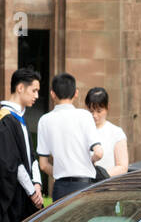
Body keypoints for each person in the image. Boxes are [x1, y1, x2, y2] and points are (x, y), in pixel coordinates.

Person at [0, 68, 42, 222]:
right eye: (34, 90)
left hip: (25, 194)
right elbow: (12, 164)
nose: (37, 96)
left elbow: (31, 156)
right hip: (12, 199)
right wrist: (32, 192)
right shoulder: (5, 120)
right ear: (20, 88)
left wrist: (37, 184)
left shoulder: (19, 119)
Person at [36, 73, 104, 202]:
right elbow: (99, 153)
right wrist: (89, 161)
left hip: (60, 187)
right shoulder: (85, 116)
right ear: (76, 93)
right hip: (84, 185)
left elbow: (43, 165)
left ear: (52, 94)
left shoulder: (44, 120)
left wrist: (62, 171)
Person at [84, 87, 128, 178]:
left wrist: (100, 176)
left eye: (99, 111)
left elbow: (122, 167)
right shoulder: (81, 130)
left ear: (107, 108)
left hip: (106, 184)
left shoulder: (116, 132)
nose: (95, 115)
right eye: (91, 111)